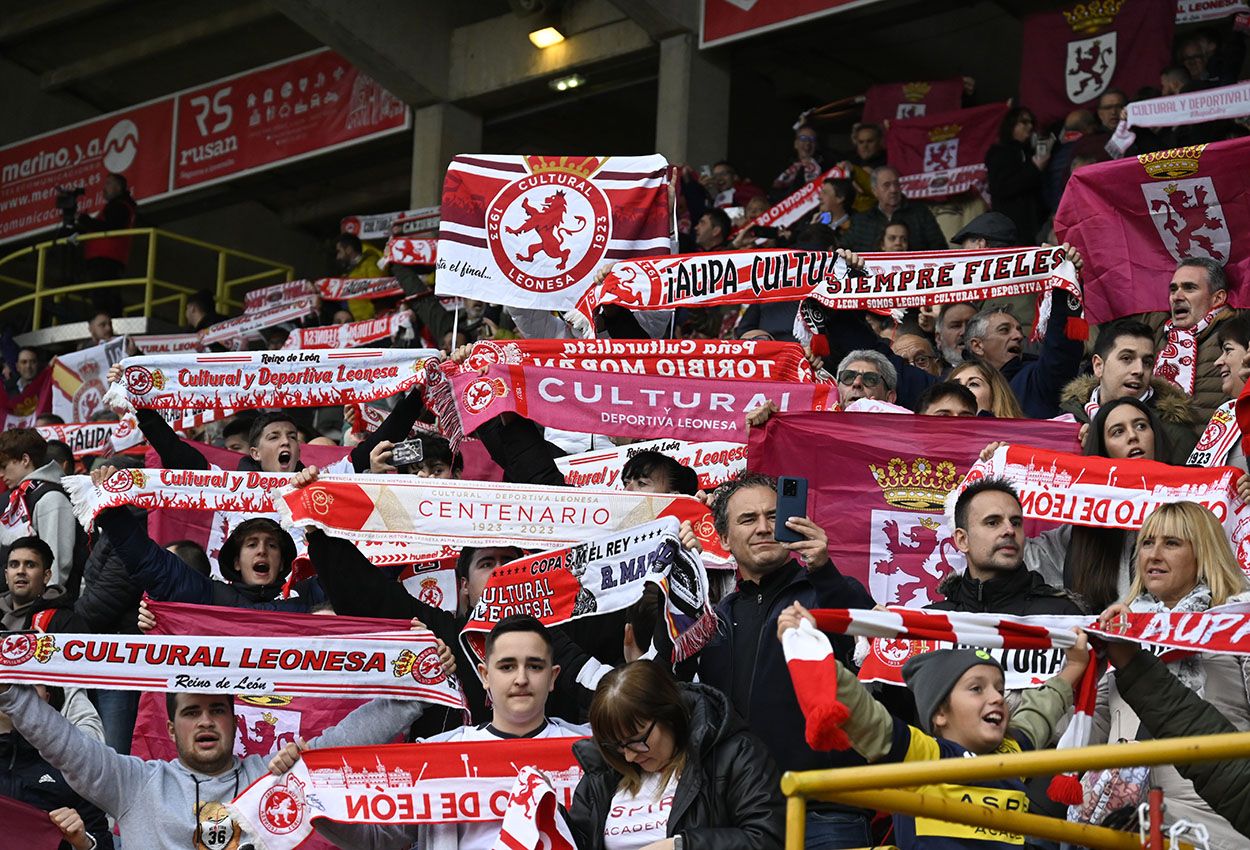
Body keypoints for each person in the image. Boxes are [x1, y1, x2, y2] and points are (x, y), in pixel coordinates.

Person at [0, 658, 448, 850]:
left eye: (218, 711)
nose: (207, 721)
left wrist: (420, 687)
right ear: (172, 728)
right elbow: (66, 746)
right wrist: (12, 695)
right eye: (192, 713)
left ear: (236, 722)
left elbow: (345, 740)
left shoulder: (277, 774)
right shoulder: (135, 783)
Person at [776, 602, 1089, 850]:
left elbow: (1040, 709)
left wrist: (1074, 666)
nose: (997, 698)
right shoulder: (925, 756)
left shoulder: (1013, 751)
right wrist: (811, 649)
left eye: (999, 688)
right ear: (939, 713)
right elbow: (865, 715)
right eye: (977, 689)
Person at [695, 472, 876, 848]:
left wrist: (824, 570)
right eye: (748, 519)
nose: (764, 528)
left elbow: (874, 649)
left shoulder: (832, 590)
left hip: (828, 807)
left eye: (773, 516)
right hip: (742, 814)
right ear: (725, 539)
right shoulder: (712, 618)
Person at [331, 616, 589, 850]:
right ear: (485, 675)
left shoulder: (590, 751)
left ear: (553, 677)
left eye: (534, 666)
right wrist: (310, 794)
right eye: (507, 667)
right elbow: (377, 839)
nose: (521, 678)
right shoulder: (436, 753)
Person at [1088, 502, 1250, 848]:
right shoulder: (1120, 632)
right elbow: (1088, 733)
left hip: (1215, 825)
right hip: (1125, 825)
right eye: (1147, 543)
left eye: (1172, 543)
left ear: (1203, 552)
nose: (1154, 554)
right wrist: (1074, 671)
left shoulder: (1238, 625)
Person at [569, 661, 785, 850]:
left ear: (670, 715)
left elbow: (768, 839)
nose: (629, 757)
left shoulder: (734, 755)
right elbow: (574, 841)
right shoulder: (603, 773)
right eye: (618, 746)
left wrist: (681, 846)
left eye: (638, 740)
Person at [1096, 637, 1250, 840]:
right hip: (1126, 820)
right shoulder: (1122, 629)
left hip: (1209, 825)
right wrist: (1067, 678)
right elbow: (1090, 725)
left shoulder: (1235, 619)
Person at [1023, 397, 1165, 612]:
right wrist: (1000, 474)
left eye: (1141, 426)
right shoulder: (1081, 529)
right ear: (1103, 450)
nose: (1133, 436)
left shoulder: (1192, 506)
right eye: (1118, 431)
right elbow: (1020, 556)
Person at [933, 479, 1085, 616]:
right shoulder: (933, 622)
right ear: (962, 540)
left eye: (1016, 522)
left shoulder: (1062, 616)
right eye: (993, 522)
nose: (1010, 530)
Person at [1059, 318, 1197, 465]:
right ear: (1098, 366)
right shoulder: (1068, 420)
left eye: (1147, 362)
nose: (1139, 370)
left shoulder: (1177, 436)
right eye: (1127, 358)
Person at [0, 685, 114, 850]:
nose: (17, 692)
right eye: (9, 682)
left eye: (30, 683)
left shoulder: (74, 763)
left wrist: (84, 843)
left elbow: (103, 844)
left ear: (47, 697)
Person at [961, 297, 1084, 419]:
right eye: (1004, 330)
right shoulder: (952, 382)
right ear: (977, 346)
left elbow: (1060, 350)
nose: (1019, 336)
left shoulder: (1037, 379)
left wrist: (1065, 293)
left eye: (1019, 330)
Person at [1155, 257, 1237, 424]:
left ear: (1218, 298)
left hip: (1219, 447)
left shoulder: (1238, 336)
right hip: (1160, 448)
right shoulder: (1156, 337)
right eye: (1173, 289)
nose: (1176, 297)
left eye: (1189, 288)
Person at [0, 429, 82, 589]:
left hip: (42, 608)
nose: (1, 474)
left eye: (4, 466)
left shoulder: (51, 498)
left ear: (25, 459)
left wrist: (44, 607)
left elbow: (56, 569)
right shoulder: (19, 496)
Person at [985, 107, 1049, 244]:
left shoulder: (1028, 151)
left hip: (1034, 226)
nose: (1030, 126)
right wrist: (1034, 169)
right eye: (1024, 122)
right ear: (1011, 125)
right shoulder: (1000, 152)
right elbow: (1000, 187)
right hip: (1012, 228)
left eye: (1031, 122)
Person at [847, 166, 947, 252]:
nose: (893, 190)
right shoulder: (861, 220)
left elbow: (941, 249)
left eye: (896, 184)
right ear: (875, 191)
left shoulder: (920, 213)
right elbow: (844, 250)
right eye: (886, 185)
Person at [0, 536, 87, 632]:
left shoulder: (68, 622)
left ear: (46, 576)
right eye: (14, 565)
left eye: (30, 565)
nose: (20, 571)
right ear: (6, 575)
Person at [74, 173, 137, 284]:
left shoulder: (120, 206)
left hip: (106, 260)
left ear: (118, 187)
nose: (104, 188)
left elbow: (110, 227)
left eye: (108, 184)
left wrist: (84, 220)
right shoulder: (118, 206)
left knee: (103, 296)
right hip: (105, 259)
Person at [948, 358, 1026, 419]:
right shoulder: (937, 434)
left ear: (995, 396)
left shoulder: (1021, 437)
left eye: (973, 384)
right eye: (955, 384)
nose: (961, 389)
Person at [333, 233, 385, 321]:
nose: (338, 257)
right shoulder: (349, 271)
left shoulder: (370, 263)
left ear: (348, 250)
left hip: (370, 321)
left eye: (339, 251)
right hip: (356, 324)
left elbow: (379, 291)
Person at [772, 124, 825, 200]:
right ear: (796, 144)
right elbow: (774, 195)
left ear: (816, 145)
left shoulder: (825, 166)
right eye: (803, 138)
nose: (807, 143)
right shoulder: (784, 168)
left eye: (812, 139)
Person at [935, 302, 977, 368]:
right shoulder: (935, 376)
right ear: (939, 338)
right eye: (956, 326)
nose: (964, 331)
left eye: (970, 325)